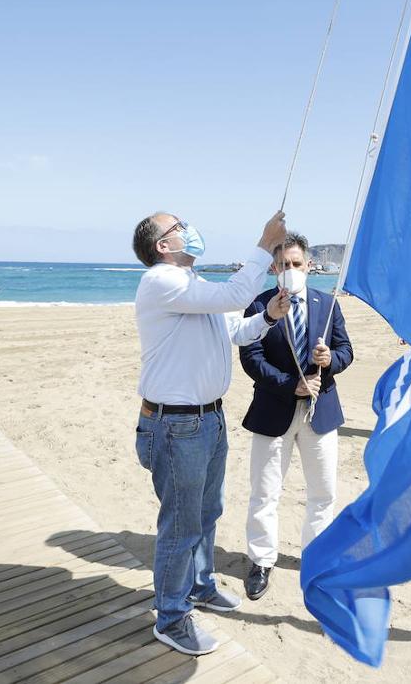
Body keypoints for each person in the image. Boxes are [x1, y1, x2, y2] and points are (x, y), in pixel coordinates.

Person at [131, 210, 291, 656]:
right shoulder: (163, 281)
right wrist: (265, 242)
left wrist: (270, 317)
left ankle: (200, 586)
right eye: (177, 225)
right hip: (176, 423)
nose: (188, 228)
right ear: (163, 246)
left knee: (208, 511)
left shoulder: (194, 288)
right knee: (180, 526)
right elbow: (239, 292)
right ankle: (171, 616)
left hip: (207, 419)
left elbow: (236, 330)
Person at [239, 233, 354, 601]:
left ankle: (316, 558)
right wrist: (292, 385)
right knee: (265, 491)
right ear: (274, 268)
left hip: (320, 412)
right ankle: (261, 560)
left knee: (323, 493)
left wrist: (330, 361)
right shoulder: (259, 305)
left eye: (296, 264)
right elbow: (251, 358)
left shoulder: (327, 303)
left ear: (308, 265)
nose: (290, 270)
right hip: (274, 410)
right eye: (283, 265)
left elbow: (345, 350)